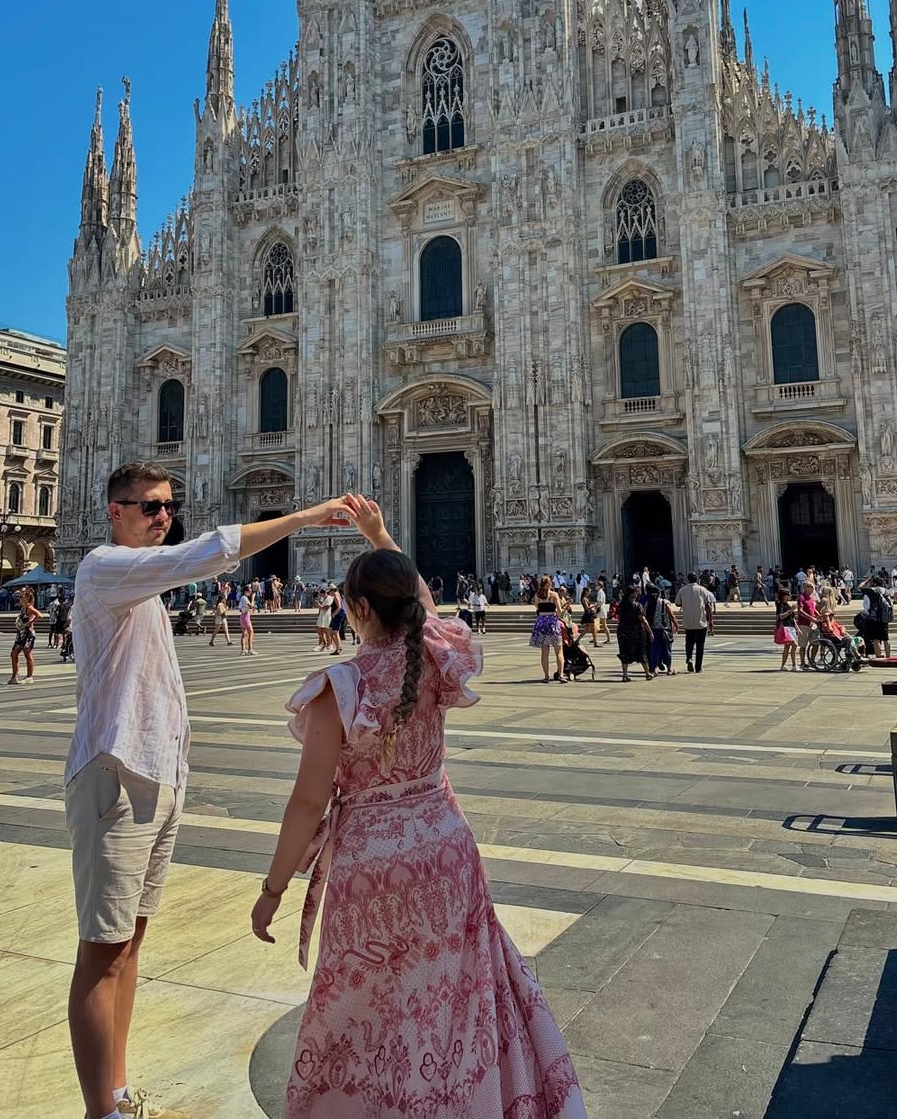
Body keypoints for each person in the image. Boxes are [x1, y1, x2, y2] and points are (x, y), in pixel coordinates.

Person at [251, 493, 586, 1117]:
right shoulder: (433, 662)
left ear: (354, 610)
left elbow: (305, 802)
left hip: (371, 870)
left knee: (368, 1000)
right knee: (450, 997)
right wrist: (382, 537)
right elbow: (427, 610)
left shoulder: (339, 689)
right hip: (445, 851)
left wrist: (273, 889)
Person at [63, 459, 350, 1119]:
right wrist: (306, 517)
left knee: (128, 945)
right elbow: (208, 555)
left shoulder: (141, 586)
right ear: (116, 511)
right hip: (114, 775)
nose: (162, 516)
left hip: (153, 777)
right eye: (148, 507)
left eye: (168, 507)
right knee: (101, 951)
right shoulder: (105, 567)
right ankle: (99, 1111)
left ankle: (119, 1090)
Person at [530, 575, 568, 683]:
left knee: (544, 652)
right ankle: (561, 675)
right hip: (552, 622)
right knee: (559, 650)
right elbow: (560, 613)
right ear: (550, 583)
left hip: (541, 622)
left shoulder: (537, 595)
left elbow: (537, 607)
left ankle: (546, 676)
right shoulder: (554, 595)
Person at [676, 571, 715, 673]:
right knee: (700, 646)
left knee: (689, 642)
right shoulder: (702, 590)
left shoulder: (682, 590)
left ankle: (689, 658)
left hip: (688, 622)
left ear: (687, 580)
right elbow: (708, 606)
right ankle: (698, 667)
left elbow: (677, 603)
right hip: (701, 621)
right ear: (697, 579)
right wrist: (710, 621)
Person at [10, 586, 44, 686]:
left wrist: (31, 622)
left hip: (28, 634)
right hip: (21, 633)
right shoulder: (23, 608)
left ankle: (29, 676)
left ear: (27, 598)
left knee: (27, 653)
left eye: (22, 596)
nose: (20, 598)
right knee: (14, 654)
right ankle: (14, 676)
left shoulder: (29, 607)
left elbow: (40, 615)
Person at [859, 569, 894, 658]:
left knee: (876, 639)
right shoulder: (886, 591)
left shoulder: (871, 591)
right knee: (886, 639)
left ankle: (878, 657)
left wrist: (867, 580)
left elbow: (860, 588)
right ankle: (888, 657)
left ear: (873, 583)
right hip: (885, 617)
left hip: (874, 618)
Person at [644, 582, 678, 674]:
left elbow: (645, 616)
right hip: (665, 630)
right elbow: (671, 615)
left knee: (654, 650)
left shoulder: (648, 603)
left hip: (653, 630)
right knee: (666, 650)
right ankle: (669, 669)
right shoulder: (665, 602)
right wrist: (676, 624)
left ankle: (654, 669)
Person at [795, 580, 818, 673]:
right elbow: (800, 611)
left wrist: (819, 616)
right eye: (810, 587)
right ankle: (803, 662)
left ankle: (812, 661)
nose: (812, 589)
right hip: (803, 624)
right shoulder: (801, 597)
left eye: (813, 587)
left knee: (816, 644)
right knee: (803, 645)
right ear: (805, 587)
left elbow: (813, 609)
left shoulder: (811, 598)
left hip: (812, 625)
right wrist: (810, 618)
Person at [774, 586, 798, 672]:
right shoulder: (780, 605)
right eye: (789, 594)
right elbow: (781, 616)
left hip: (791, 627)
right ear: (784, 596)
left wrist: (797, 628)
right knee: (794, 645)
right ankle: (794, 665)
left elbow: (793, 618)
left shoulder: (788, 605)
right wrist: (790, 610)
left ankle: (783, 665)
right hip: (785, 627)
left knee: (787, 647)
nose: (790, 596)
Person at [593, 578, 612, 645]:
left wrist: (596, 608)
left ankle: (608, 639)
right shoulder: (600, 592)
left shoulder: (600, 592)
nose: (595, 587)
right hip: (601, 609)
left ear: (599, 586)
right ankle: (595, 638)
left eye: (596, 585)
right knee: (600, 624)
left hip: (601, 609)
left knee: (604, 625)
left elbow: (600, 602)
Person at [237, 587, 256, 655]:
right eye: (249, 591)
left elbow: (240, 609)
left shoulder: (243, 598)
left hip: (243, 616)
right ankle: (250, 649)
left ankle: (243, 650)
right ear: (245, 591)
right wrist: (253, 598)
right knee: (251, 632)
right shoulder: (244, 598)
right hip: (245, 616)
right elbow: (251, 606)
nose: (250, 593)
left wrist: (246, 609)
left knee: (244, 634)